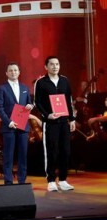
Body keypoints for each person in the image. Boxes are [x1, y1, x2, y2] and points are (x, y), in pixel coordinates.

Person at [34, 56, 76, 192]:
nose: (55, 67)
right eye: (51, 64)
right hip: (50, 123)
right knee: (52, 151)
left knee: (65, 151)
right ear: (46, 67)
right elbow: (37, 103)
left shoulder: (65, 81)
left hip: (64, 122)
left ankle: (63, 179)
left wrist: (72, 119)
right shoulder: (41, 82)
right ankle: (51, 180)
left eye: (57, 64)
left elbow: (69, 101)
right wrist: (47, 115)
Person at [0, 63, 34, 185]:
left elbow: (29, 103)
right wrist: (9, 122)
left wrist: (31, 106)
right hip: (9, 126)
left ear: (19, 72)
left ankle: (22, 180)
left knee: (23, 154)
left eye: (15, 70)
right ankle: (8, 181)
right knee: (8, 155)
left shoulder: (25, 87)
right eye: (10, 70)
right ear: (6, 73)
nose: (13, 72)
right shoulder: (1, 88)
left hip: (23, 125)